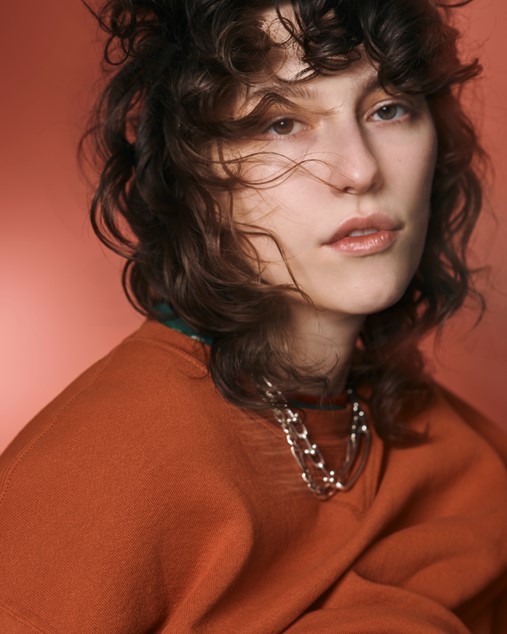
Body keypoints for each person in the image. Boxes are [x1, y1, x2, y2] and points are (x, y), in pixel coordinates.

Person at [1, 0, 506, 631]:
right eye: (281, 123)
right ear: (190, 171)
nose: (360, 170)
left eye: (388, 109)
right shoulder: (94, 476)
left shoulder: (464, 457)